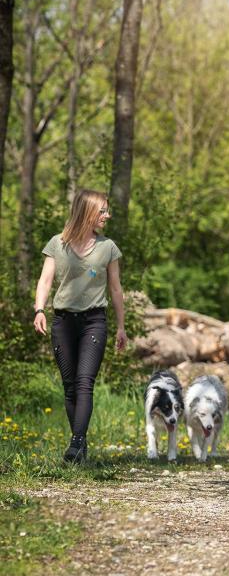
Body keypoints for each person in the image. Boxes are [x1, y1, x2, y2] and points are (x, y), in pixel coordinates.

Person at [33, 189, 127, 464]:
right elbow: (45, 281)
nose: (107, 216)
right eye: (102, 211)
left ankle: (75, 444)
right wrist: (39, 309)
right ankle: (80, 443)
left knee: (85, 382)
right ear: (87, 211)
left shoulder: (108, 247)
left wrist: (121, 327)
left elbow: (116, 289)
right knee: (70, 385)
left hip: (94, 321)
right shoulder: (57, 244)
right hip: (62, 321)